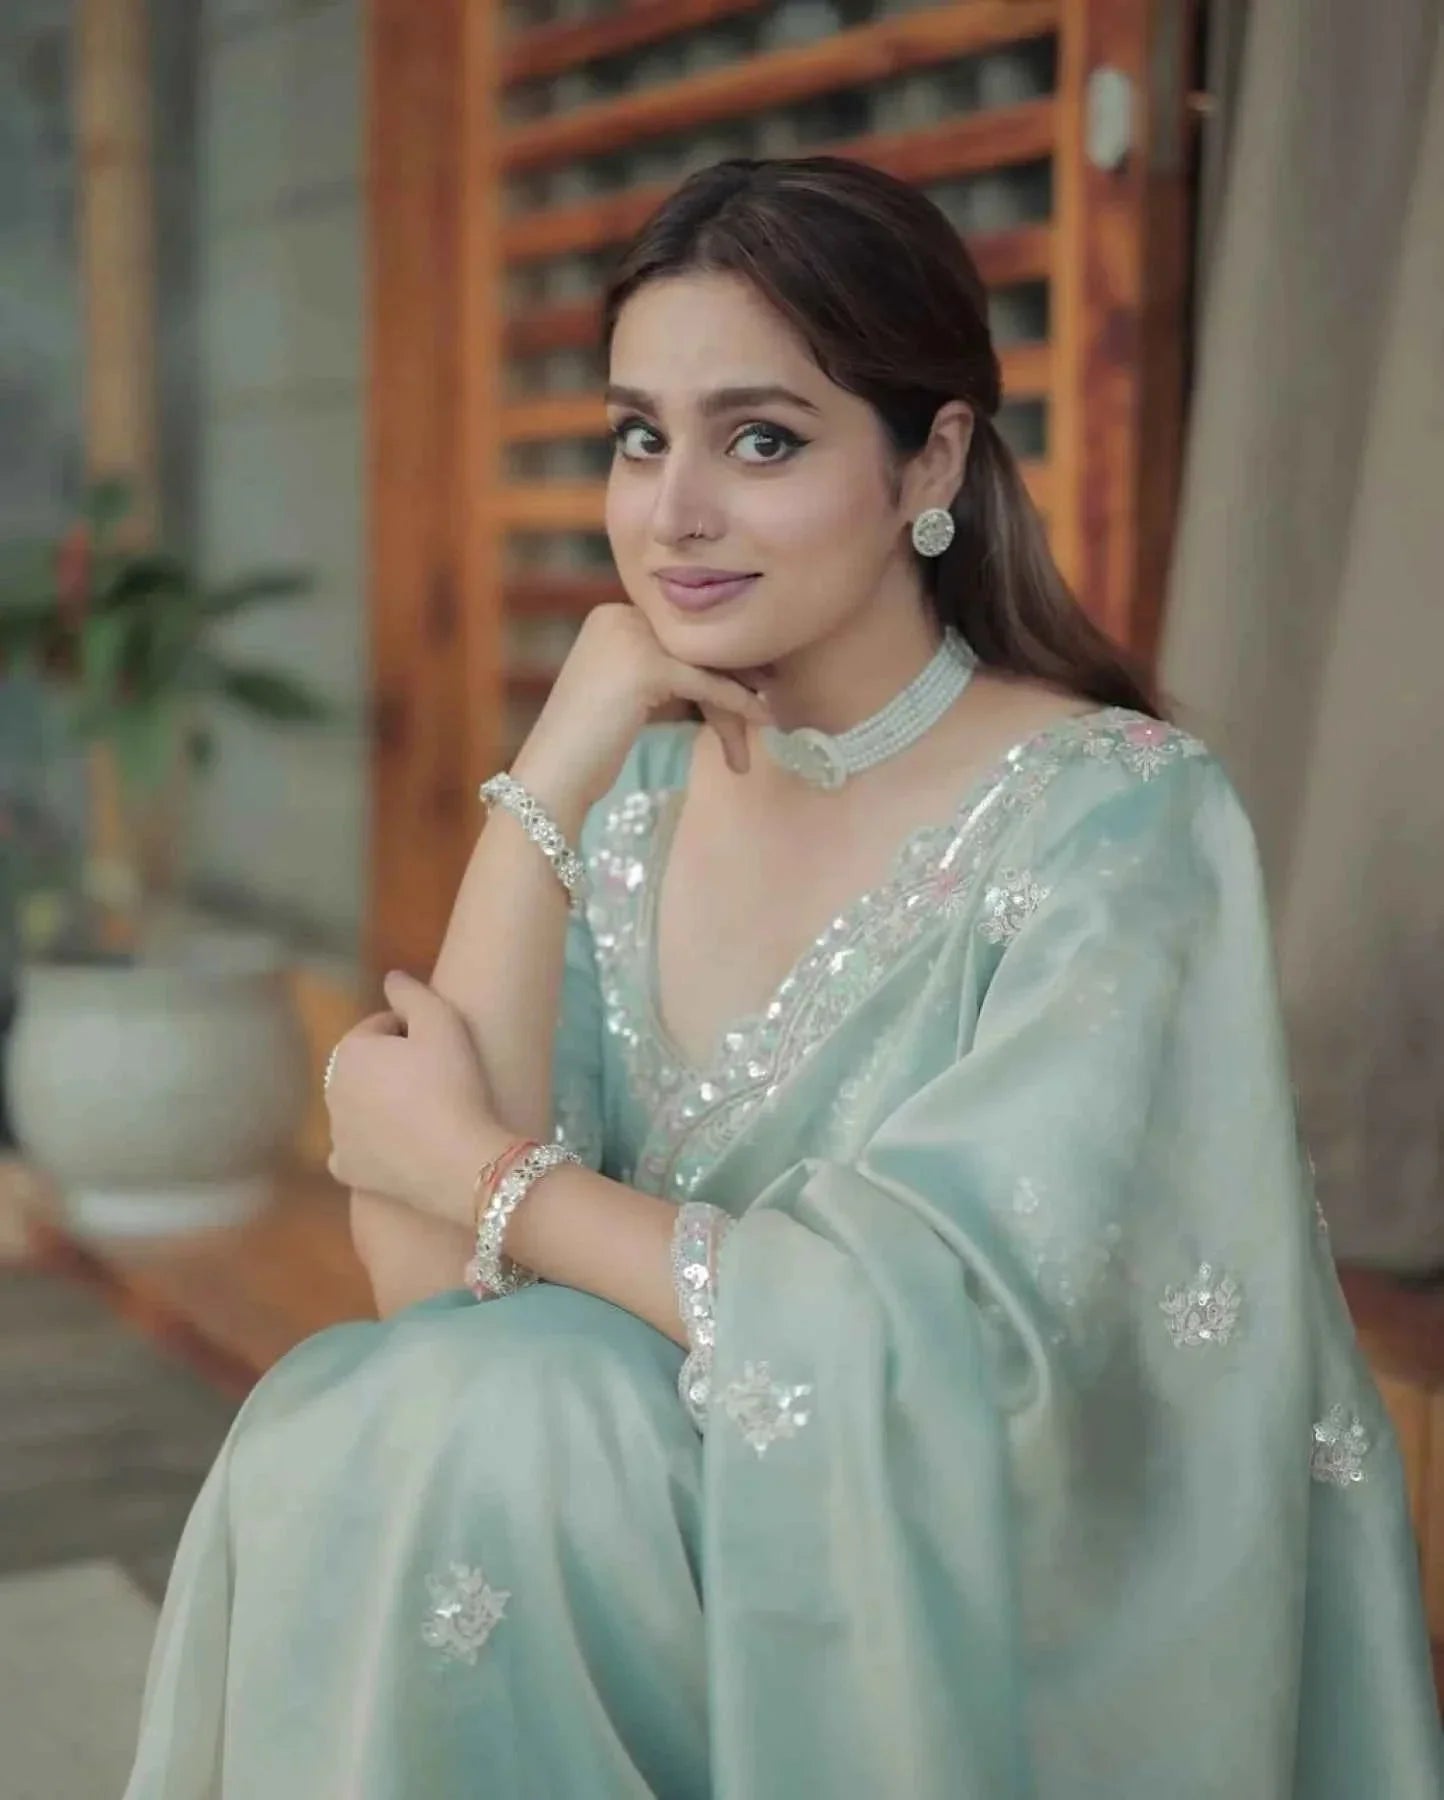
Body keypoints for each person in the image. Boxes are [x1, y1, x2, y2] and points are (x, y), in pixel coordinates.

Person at [125, 157, 1442, 1797]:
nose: (674, 512)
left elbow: (955, 1358)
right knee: (414, 1417)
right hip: (640, 1523)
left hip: (988, 1595)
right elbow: (429, 1300)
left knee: (495, 1427)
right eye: (638, 436)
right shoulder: (639, 797)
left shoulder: (1121, 819)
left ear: (930, 459)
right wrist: (557, 764)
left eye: (760, 441)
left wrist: (485, 1172)